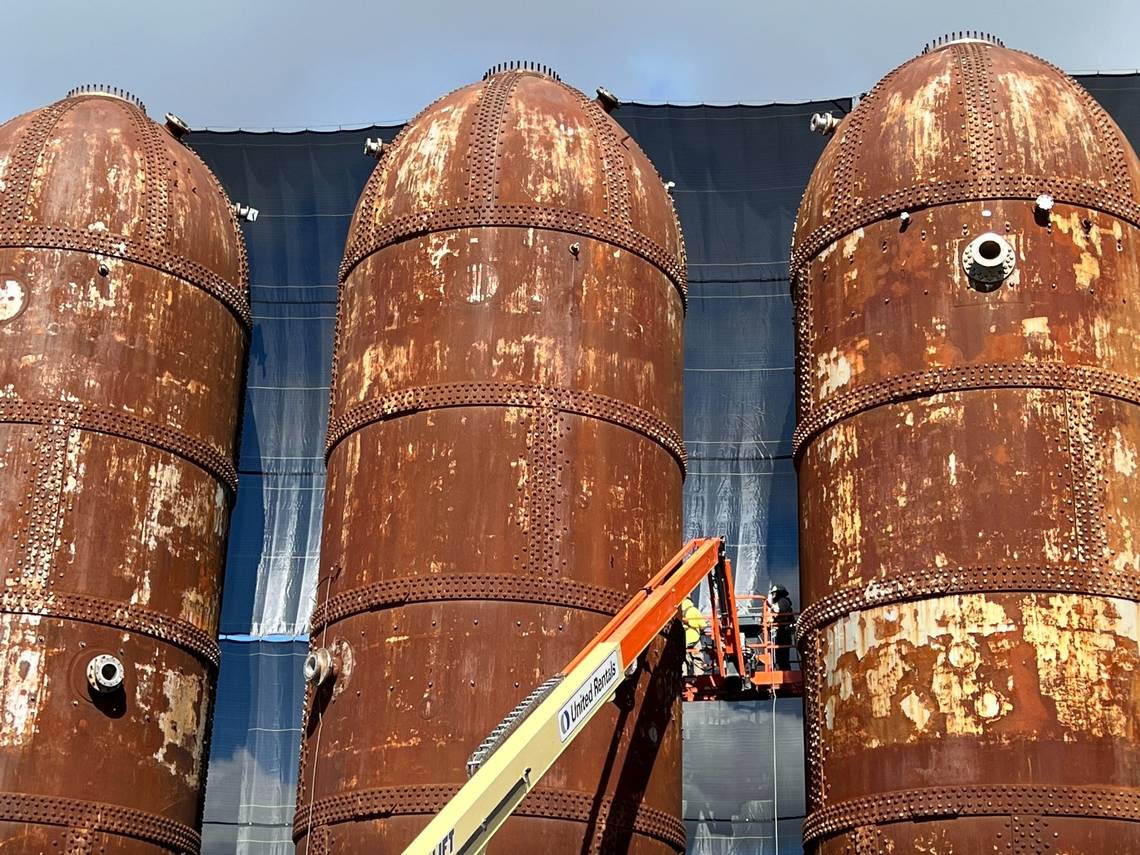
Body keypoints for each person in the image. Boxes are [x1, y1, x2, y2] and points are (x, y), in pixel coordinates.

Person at [767, 583, 794, 671]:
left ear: (779, 593)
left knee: (782, 657)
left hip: (783, 633)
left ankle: (784, 671)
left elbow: (778, 610)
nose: (773, 595)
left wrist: (770, 608)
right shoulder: (785, 602)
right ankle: (783, 670)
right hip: (783, 633)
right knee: (781, 657)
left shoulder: (783, 601)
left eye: (774, 593)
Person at [680, 597, 708, 676]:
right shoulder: (693, 610)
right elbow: (703, 625)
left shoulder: (679, 611)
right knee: (697, 658)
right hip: (694, 637)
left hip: (683, 639)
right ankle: (699, 676)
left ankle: (684, 676)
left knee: (684, 659)